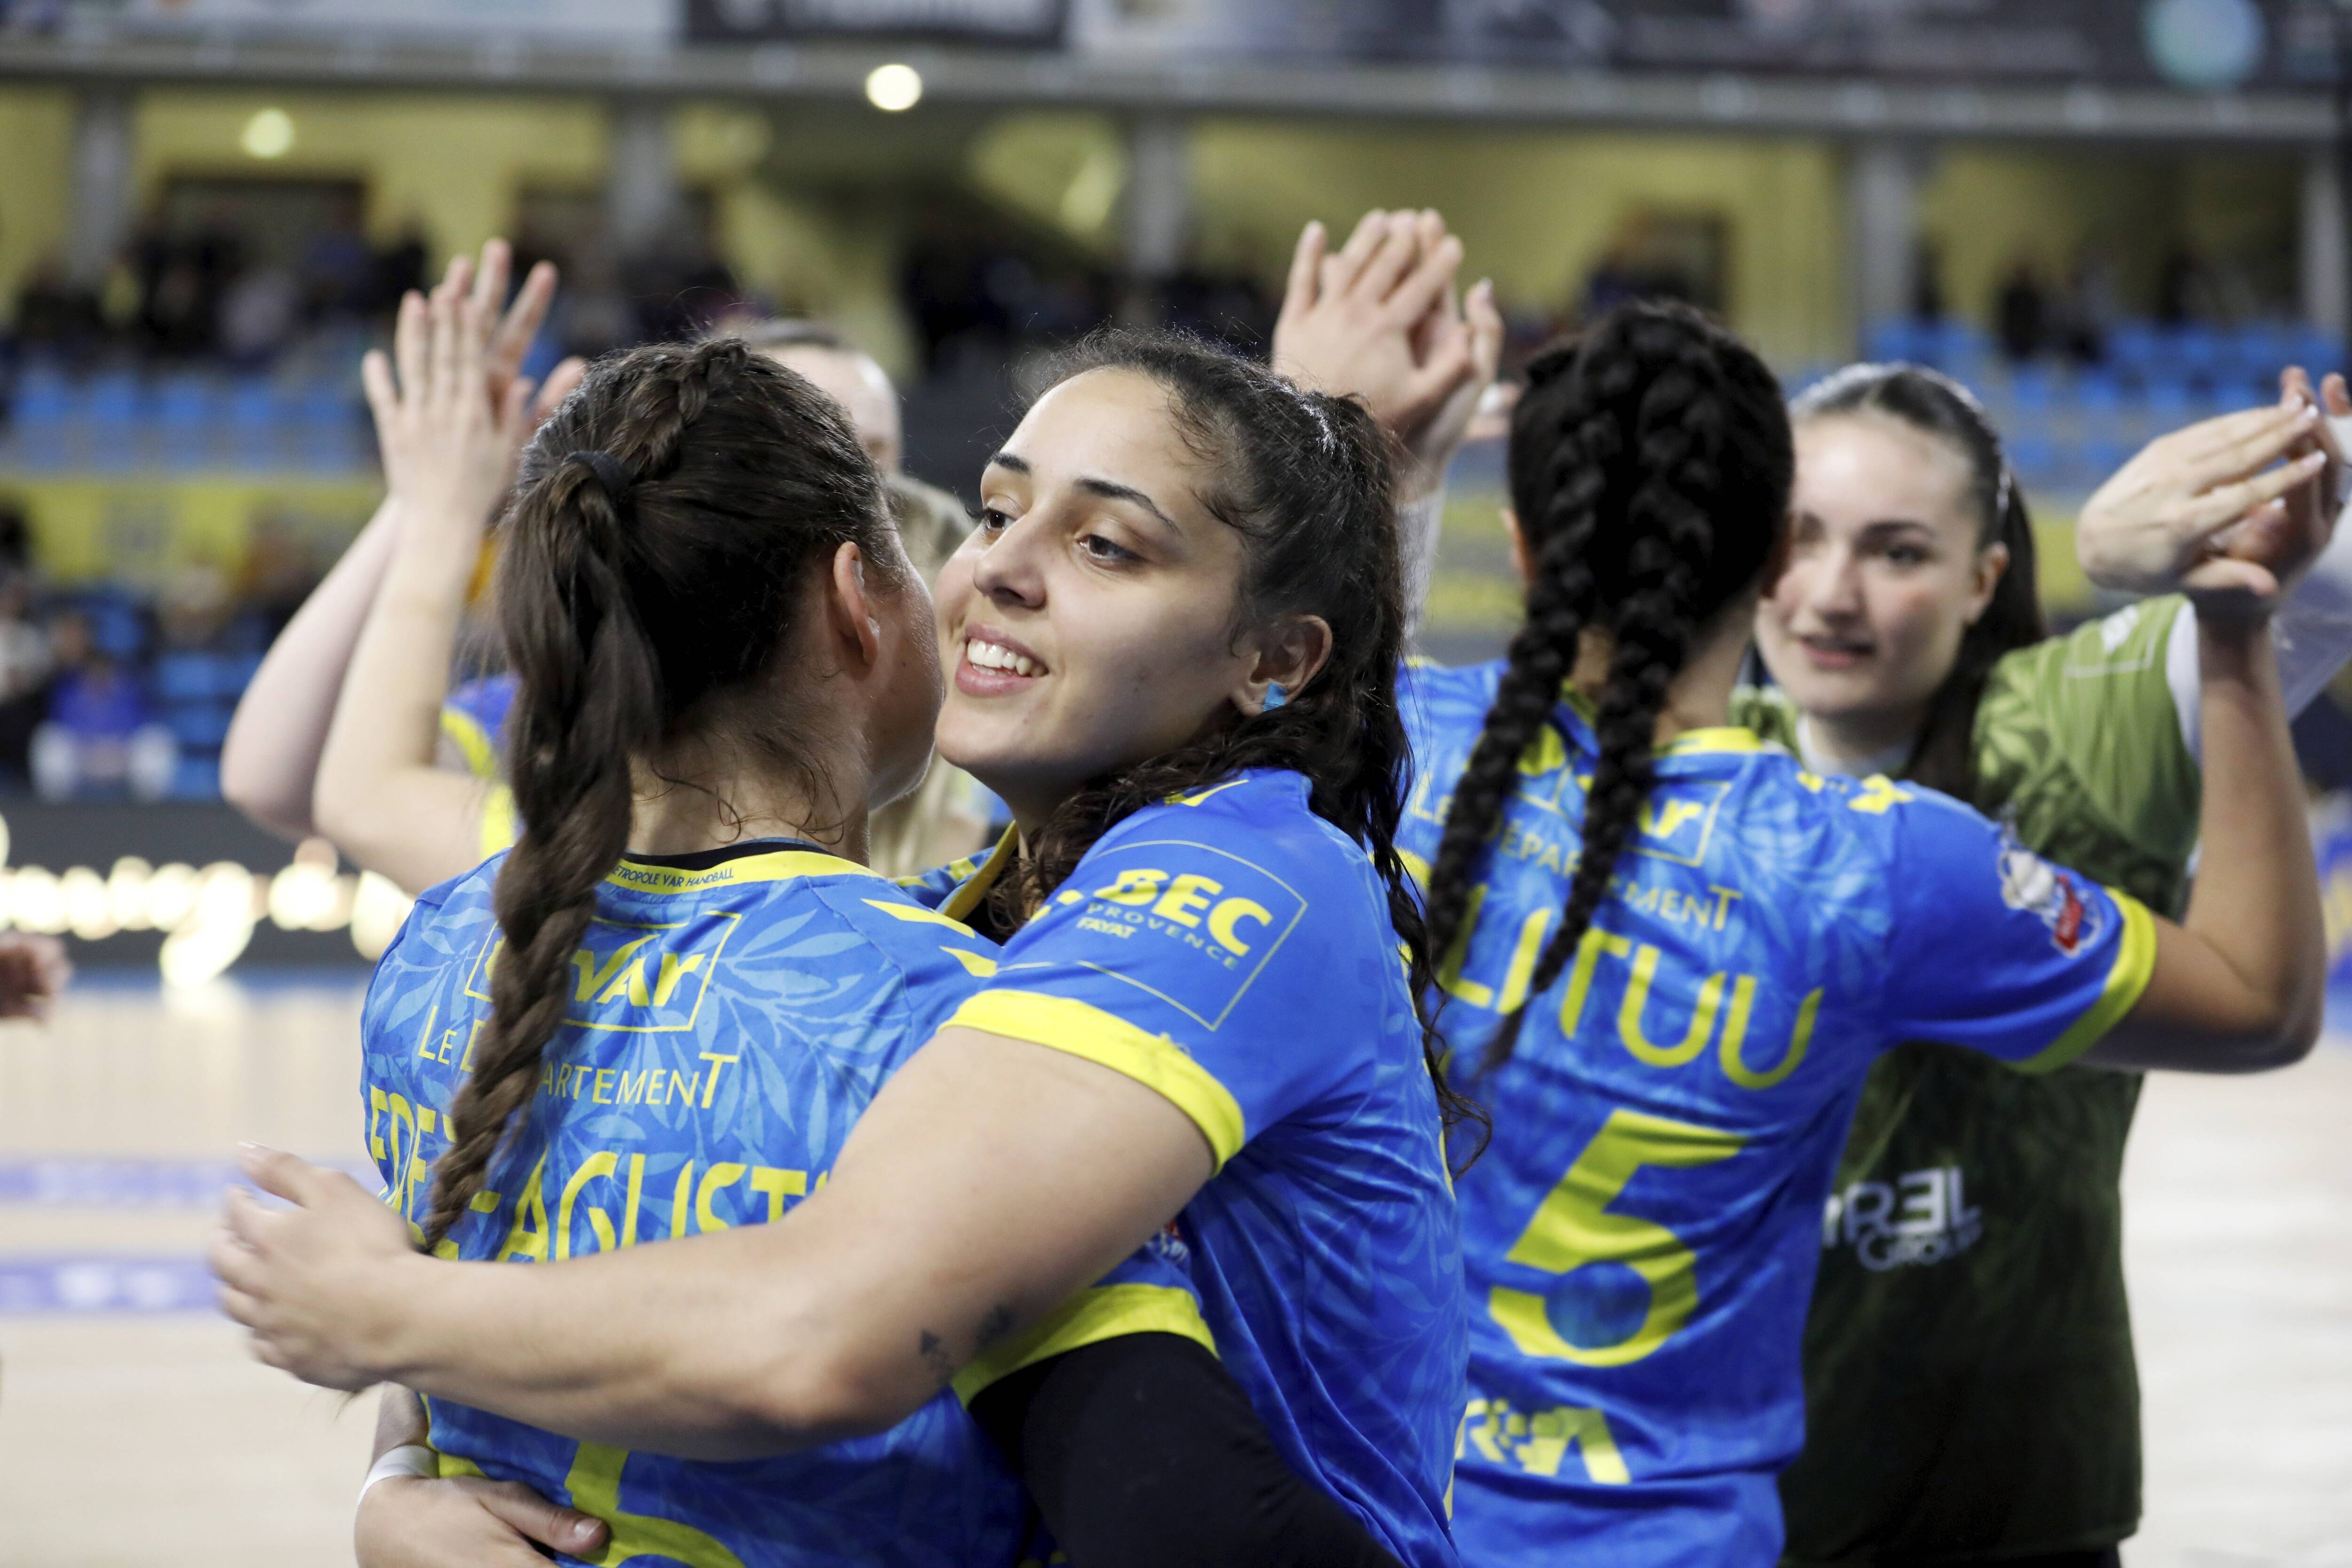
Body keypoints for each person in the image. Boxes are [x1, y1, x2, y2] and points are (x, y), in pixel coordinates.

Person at [214, 326, 1468, 1566]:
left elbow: (831, 1329)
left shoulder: (1237, 871)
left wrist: (387, 1316)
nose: (998, 571)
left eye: (1105, 543)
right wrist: (406, 1472)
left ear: (1274, 659)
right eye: (993, 513)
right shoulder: (946, 923)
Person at [1395, 301, 2320, 1566]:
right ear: (1775, 553)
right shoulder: (1870, 857)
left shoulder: (1412, 751)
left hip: (1404, 1508)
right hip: (1701, 1525)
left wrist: (1381, 471)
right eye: (1821, 541)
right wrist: (2232, 623)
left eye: (1897, 550)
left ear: (1520, 546)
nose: (1838, 592)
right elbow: (2262, 1001)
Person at [1745, 362, 2352, 1568]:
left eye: (1898, 551)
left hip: (2013, 1507)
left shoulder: (2076, 719)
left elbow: (2316, 598)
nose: (1828, 593)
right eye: (1797, 537)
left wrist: (2160, 541)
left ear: (1985, 577)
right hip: (1727, 1502)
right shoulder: (1692, 746)